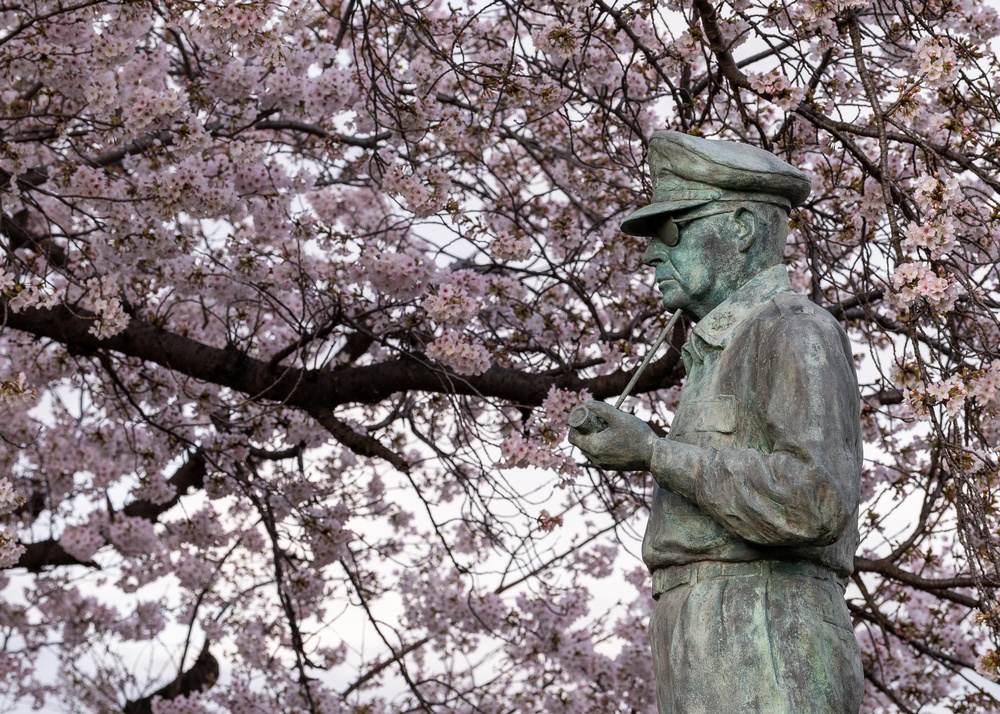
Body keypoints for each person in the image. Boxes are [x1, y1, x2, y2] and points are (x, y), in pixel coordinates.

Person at [569, 131, 864, 713]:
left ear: (741, 228)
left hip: (767, 628)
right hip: (703, 630)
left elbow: (813, 501)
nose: (653, 253)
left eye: (671, 229)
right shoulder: (716, 352)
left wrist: (655, 453)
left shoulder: (792, 330)